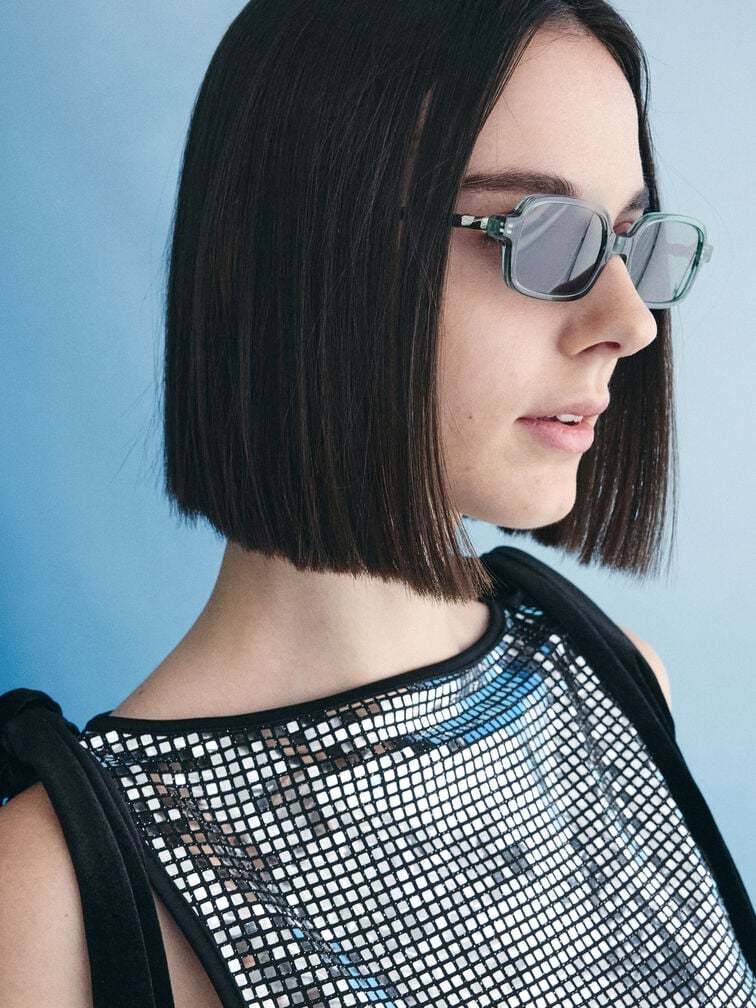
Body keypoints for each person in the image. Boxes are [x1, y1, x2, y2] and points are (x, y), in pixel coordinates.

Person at [1, 1, 753, 1006]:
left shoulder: (616, 686)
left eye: (627, 240)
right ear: (307, 249)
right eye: (541, 233)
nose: (631, 322)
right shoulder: (47, 902)